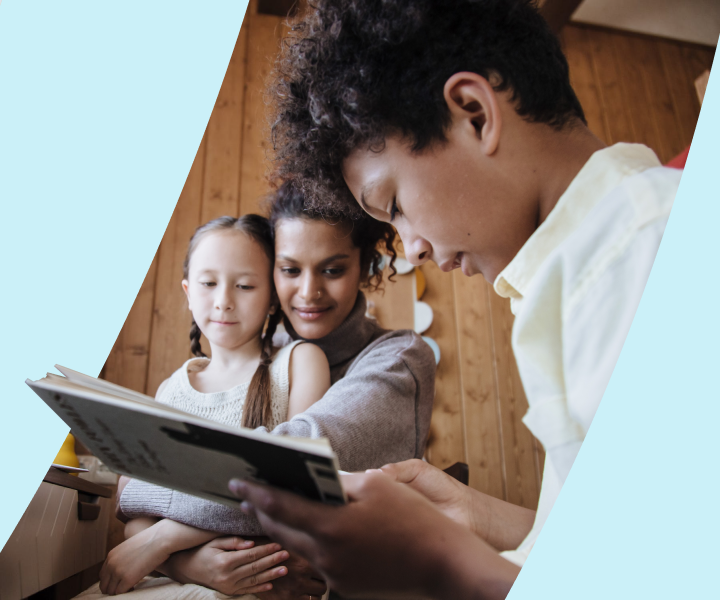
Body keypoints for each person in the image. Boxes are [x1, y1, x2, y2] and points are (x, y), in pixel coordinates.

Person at [225, 0, 681, 598]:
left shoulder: (638, 248)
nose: (411, 248)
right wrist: (475, 521)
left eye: (395, 204)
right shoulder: (583, 269)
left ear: (473, 113)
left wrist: (437, 560)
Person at [113, 184, 436, 597]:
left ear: (365, 265)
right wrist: (187, 564)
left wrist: (161, 529)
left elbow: (292, 464)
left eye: (333, 270)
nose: (308, 292)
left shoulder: (397, 358)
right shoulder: (256, 361)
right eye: (289, 270)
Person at [97, 215, 331, 596]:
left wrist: (167, 540)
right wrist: (190, 567)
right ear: (188, 292)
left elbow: (293, 490)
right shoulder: (169, 392)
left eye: (244, 285)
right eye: (208, 283)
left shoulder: (300, 364)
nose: (224, 301)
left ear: (272, 296)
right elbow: (135, 509)